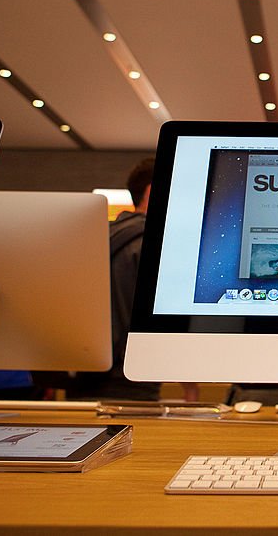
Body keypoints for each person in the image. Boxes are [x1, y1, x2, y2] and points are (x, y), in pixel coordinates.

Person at [69, 158, 197, 401]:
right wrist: (189, 384)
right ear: (153, 191)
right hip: (131, 379)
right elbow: (169, 319)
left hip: (84, 373)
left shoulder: (100, 237)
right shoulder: (156, 245)